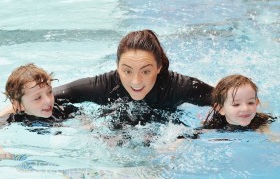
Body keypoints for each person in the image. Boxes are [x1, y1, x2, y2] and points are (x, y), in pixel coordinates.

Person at [53, 29, 213, 126]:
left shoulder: (178, 86)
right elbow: (44, 98)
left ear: (159, 67)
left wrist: (191, 134)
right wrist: (79, 119)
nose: (136, 82)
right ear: (117, 67)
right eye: (127, 71)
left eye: (145, 71)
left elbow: (228, 99)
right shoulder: (105, 86)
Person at [0, 63, 79, 127]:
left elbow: (80, 114)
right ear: (20, 105)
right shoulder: (14, 119)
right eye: (38, 98)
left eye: (50, 92)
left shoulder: (61, 111)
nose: (48, 100)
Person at [202, 74, 276, 131]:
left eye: (250, 103)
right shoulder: (214, 125)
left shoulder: (262, 121)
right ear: (221, 109)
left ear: (256, 103)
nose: (245, 109)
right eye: (236, 104)